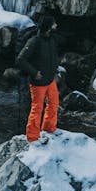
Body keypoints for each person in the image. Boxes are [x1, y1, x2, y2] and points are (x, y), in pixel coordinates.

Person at [17, 13, 59, 143]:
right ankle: (32, 137)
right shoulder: (34, 41)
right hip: (38, 82)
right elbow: (20, 60)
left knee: (54, 103)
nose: (56, 25)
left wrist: (55, 69)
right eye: (53, 23)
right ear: (48, 26)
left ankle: (48, 128)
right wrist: (34, 73)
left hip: (50, 80)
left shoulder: (51, 39)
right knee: (37, 109)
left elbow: (53, 57)